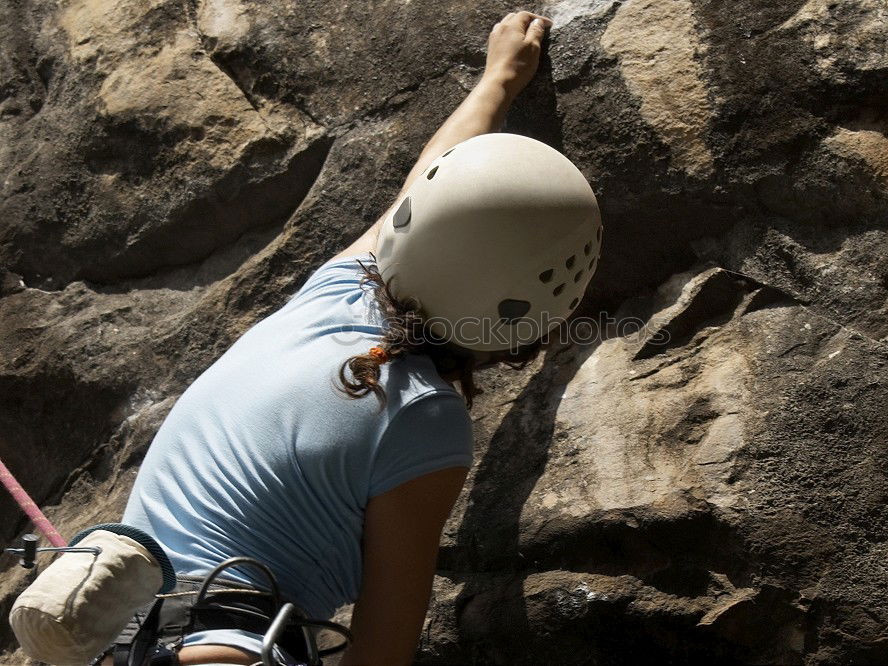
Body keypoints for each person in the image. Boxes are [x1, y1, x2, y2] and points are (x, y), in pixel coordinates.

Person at [98, 9, 601, 666]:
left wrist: (497, 81)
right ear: (529, 320)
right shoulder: (425, 419)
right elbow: (382, 650)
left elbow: (427, 183)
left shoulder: (343, 291)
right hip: (227, 649)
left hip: (113, 635)